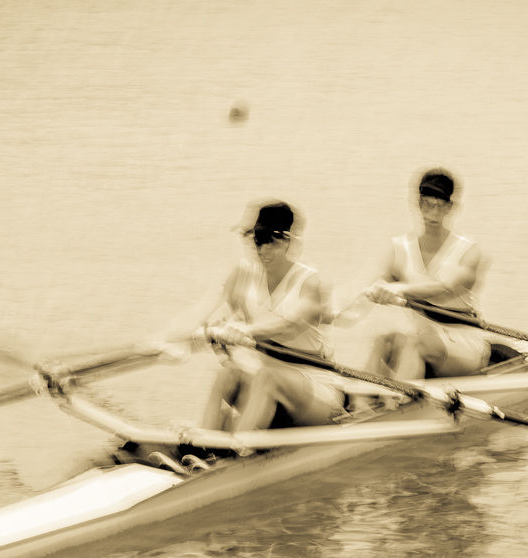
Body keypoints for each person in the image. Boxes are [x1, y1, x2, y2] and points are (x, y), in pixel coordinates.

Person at [196, 200, 343, 433]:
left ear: (287, 241)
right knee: (227, 373)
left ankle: (237, 452)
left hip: (316, 393)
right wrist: (201, 333)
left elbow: (289, 325)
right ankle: (204, 443)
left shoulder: (311, 283)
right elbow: (212, 314)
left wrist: (245, 330)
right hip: (266, 389)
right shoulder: (243, 275)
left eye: (268, 241)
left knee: (267, 377)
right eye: (256, 241)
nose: (261, 250)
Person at [362, 168, 490, 379]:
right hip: (424, 337)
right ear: (417, 204)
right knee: (382, 340)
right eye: (426, 204)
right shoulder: (400, 248)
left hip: (464, 343)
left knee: (414, 343)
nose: (432, 213)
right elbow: (366, 291)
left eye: (439, 206)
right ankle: (360, 403)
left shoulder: (468, 252)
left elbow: (442, 288)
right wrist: (338, 312)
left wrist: (398, 288)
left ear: (451, 207)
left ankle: (400, 404)